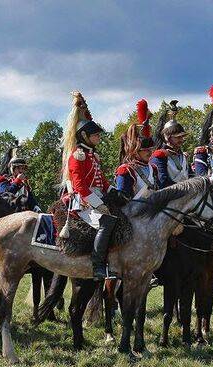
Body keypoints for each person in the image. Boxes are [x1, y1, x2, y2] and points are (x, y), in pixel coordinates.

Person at [64, 92, 120, 280]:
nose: (98, 137)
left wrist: (114, 191)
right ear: (84, 135)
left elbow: (101, 180)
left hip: (96, 197)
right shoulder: (77, 156)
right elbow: (80, 186)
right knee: (106, 222)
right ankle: (98, 267)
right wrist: (98, 203)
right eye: (95, 135)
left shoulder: (91, 156)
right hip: (83, 202)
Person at [112, 100, 159, 197]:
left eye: (150, 149)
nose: (150, 152)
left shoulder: (153, 168)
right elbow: (123, 200)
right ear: (135, 150)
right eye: (145, 150)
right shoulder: (126, 170)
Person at [150, 101, 190, 187]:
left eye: (182, 136)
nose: (181, 139)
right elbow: (163, 182)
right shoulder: (160, 157)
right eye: (177, 137)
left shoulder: (183, 156)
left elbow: (189, 175)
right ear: (167, 137)